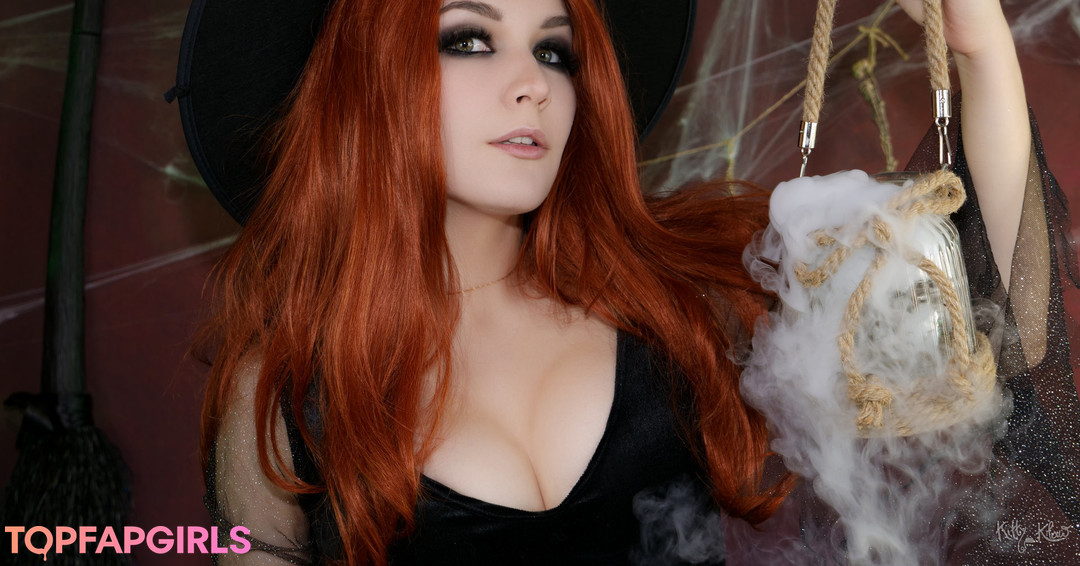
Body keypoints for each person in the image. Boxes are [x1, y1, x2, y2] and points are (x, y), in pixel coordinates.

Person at [169, 0, 1080, 563]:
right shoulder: (284, 393)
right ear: (362, 83)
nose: (532, 85)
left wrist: (981, 51)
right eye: (469, 39)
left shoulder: (682, 302)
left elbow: (1001, 334)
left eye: (554, 51)